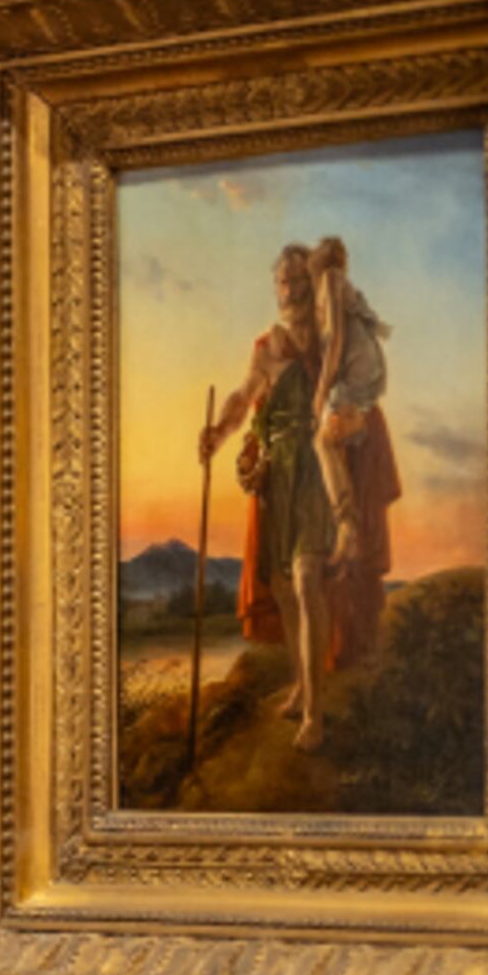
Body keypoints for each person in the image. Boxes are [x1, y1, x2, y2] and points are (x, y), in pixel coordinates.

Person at [197, 244, 339, 750]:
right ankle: (302, 685)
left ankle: (315, 717)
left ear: (312, 285)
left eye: (299, 280)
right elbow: (242, 396)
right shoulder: (267, 347)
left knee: (306, 579)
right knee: (283, 589)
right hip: (276, 477)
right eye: (283, 282)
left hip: (316, 471)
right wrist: (219, 431)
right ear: (276, 289)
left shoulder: (329, 336)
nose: (291, 290)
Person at [305, 234, 403, 668]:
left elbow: (338, 345)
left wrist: (320, 396)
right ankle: (346, 523)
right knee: (328, 443)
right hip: (364, 382)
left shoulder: (329, 280)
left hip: (356, 382)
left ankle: (346, 524)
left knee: (323, 439)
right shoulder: (340, 285)